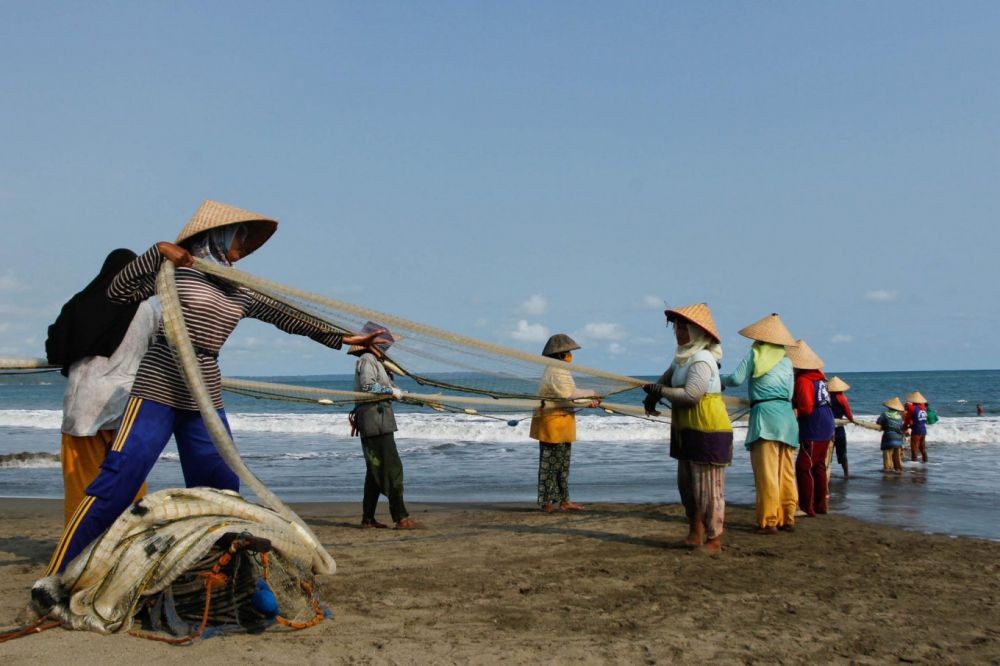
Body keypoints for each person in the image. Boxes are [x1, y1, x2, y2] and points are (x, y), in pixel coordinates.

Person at [45, 200, 387, 574]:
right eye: (240, 234)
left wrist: (345, 339)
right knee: (120, 478)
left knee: (222, 487)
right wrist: (158, 252)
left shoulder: (240, 289)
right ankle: (62, 572)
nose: (243, 243)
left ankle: (224, 572)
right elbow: (117, 293)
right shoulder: (174, 271)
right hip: (159, 383)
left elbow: (287, 316)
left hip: (203, 391)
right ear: (217, 233)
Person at [45, 249, 159, 525]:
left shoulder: (81, 303)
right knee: (128, 477)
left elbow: (55, 348)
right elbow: (155, 353)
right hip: (128, 404)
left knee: (81, 482)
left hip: (85, 403)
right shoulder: (147, 310)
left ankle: (78, 545)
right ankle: (127, 539)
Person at [642, 303, 733, 554]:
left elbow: (692, 395)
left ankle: (714, 540)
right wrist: (651, 396)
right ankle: (695, 533)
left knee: (709, 490)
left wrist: (661, 392)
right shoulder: (682, 358)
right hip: (685, 429)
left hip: (708, 429)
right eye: (678, 328)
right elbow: (665, 379)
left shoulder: (703, 358)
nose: (680, 332)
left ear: (698, 333)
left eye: (685, 328)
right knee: (688, 486)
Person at [720, 313, 799, 535]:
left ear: (760, 339)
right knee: (786, 471)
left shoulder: (755, 355)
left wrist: (719, 378)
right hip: (787, 418)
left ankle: (769, 521)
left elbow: (735, 380)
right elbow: (790, 393)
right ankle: (788, 517)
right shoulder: (786, 361)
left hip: (765, 416)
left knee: (767, 473)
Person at [349, 321, 414, 530]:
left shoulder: (379, 362)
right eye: (384, 342)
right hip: (376, 423)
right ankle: (401, 518)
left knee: (374, 472)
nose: (388, 346)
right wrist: (389, 392)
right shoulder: (368, 359)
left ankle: (367, 519)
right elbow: (369, 385)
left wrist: (398, 392)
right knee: (392, 469)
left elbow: (386, 386)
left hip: (378, 421)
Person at [529, 334, 598, 513]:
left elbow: (571, 393)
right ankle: (547, 503)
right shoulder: (556, 371)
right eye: (567, 352)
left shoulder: (560, 370)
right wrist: (590, 398)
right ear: (559, 355)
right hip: (552, 423)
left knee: (562, 464)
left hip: (562, 422)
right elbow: (569, 397)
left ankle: (564, 501)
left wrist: (591, 394)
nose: (570, 355)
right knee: (550, 464)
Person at [786, 340, 835, 517]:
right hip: (827, 423)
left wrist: (793, 410)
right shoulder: (820, 378)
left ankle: (807, 506)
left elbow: (806, 407)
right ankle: (821, 504)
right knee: (819, 465)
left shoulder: (804, 380)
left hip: (814, 425)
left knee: (804, 466)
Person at [827, 376, 854, 478]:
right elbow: (848, 414)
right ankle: (846, 474)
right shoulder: (842, 398)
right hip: (839, 429)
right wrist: (851, 419)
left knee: (827, 454)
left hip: (827, 428)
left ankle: (826, 474)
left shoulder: (827, 397)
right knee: (842, 453)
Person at [877, 397, 906, 473]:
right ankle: (898, 470)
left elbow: (878, 423)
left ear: (889, 407)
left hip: (888, 438)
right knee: (897, 458)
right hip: (898, 439)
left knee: (887, 457)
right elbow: (901, 427)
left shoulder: (884, 414)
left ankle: (888, 471)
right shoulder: (899, 417)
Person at [905, 391, 930, 463]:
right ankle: (925, 463)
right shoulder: (924, 408)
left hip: (916, 430)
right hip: (923, 430)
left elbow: (908, 420)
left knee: (914, 449)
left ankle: (914, 467)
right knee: (923, 448)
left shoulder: (912, 408)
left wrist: (905, 428)